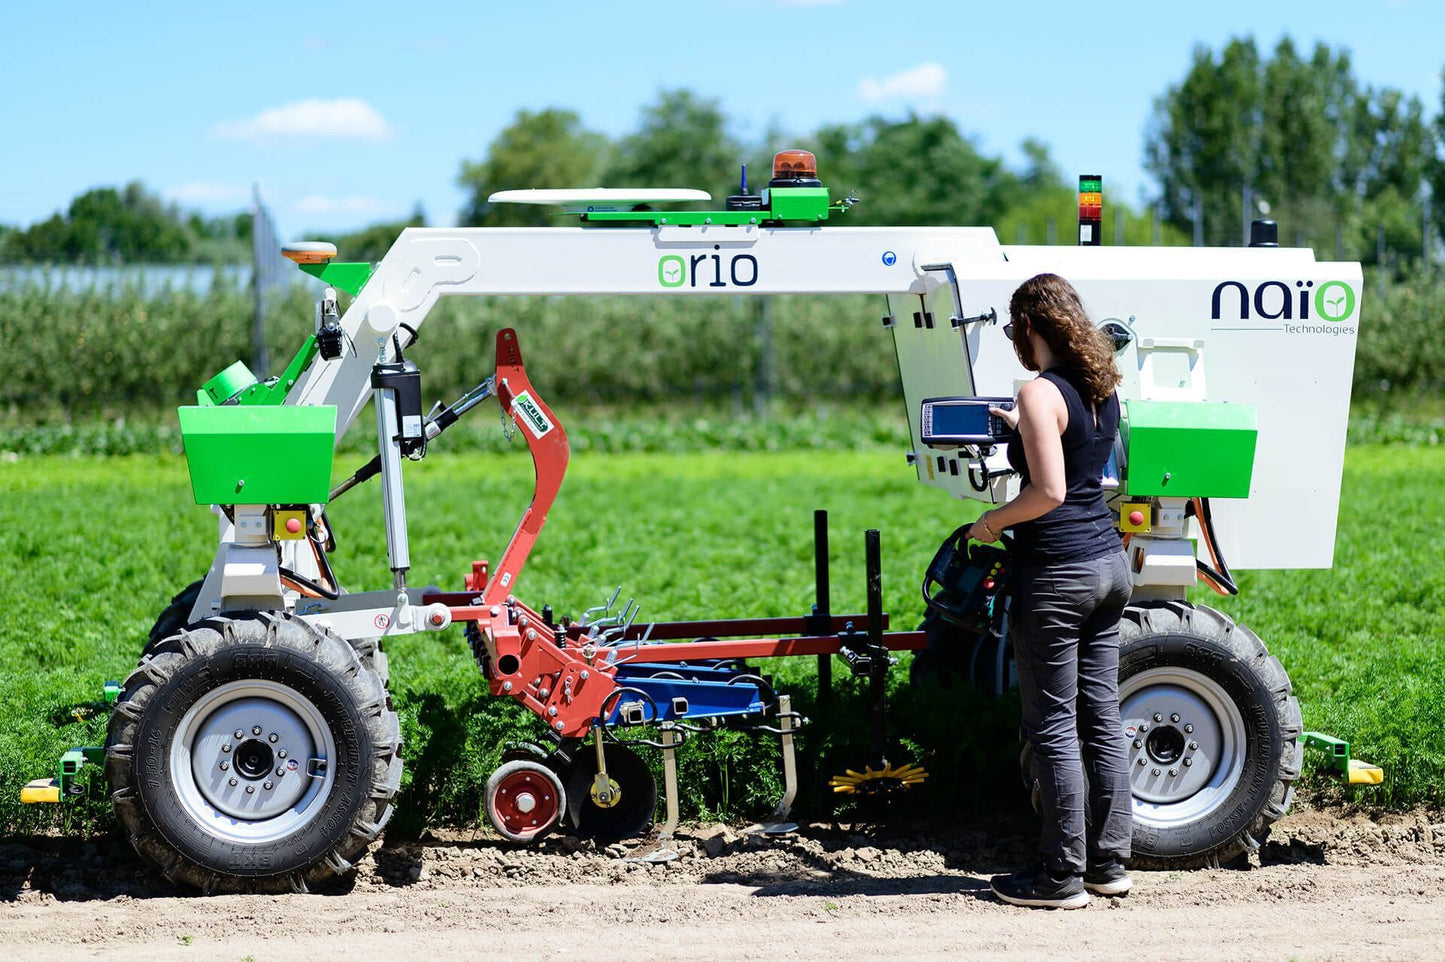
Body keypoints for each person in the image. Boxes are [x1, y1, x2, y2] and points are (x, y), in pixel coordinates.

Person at [966, 273, 1133, 910]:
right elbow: (1078, 458)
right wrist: (1021, 424)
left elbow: (1048, 492)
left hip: (1058, 574)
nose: (1016, 341)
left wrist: (990, 523)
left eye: (1014, 330)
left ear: (1032, 327)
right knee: (1102, 715)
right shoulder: (1099, 384)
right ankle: (1108, 865)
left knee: (1055, 726)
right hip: (1107, 564)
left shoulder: (1040, 392)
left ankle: (1059, 877)